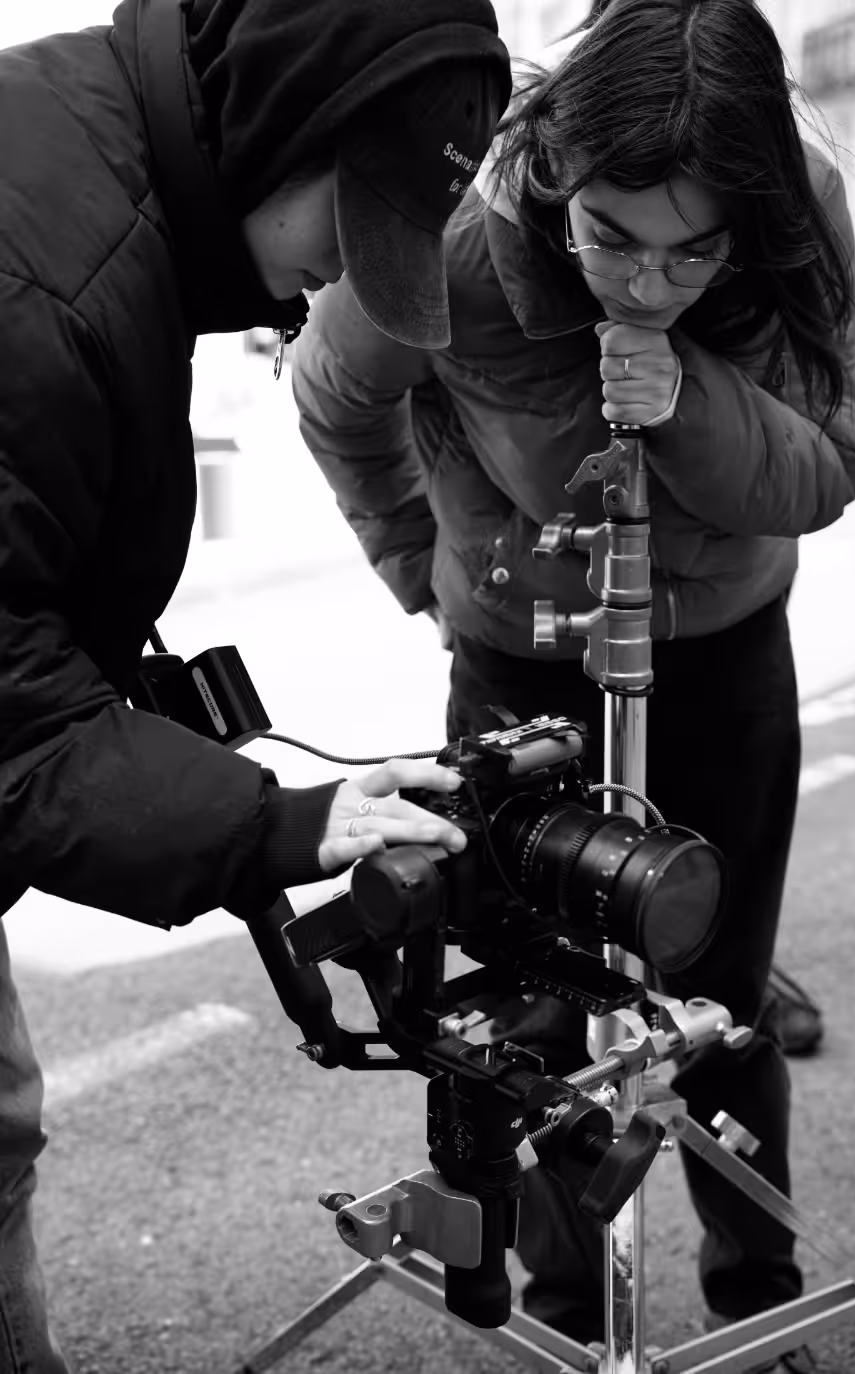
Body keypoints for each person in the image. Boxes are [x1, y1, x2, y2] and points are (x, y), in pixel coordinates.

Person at [292, 1, 855, 1369]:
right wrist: (420, 567)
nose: (648, 281)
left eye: (692, 253)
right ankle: (560, 1305)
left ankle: (755, 1292)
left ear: (749, 220)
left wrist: (680, 392)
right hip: (517, 658)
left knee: (713, 998)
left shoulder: (800, 195)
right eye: (613, 237)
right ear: (552, 175)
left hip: (723, 645)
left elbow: (826, 467)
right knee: (530, 1007)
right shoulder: (455, 223)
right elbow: (334, 396)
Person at [0, 0, 512, 1368]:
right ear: (287, 125)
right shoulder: (48, 283)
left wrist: (220, 763)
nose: (331, 284)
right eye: (348, 239)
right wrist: (270, 820)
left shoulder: (91, 171)